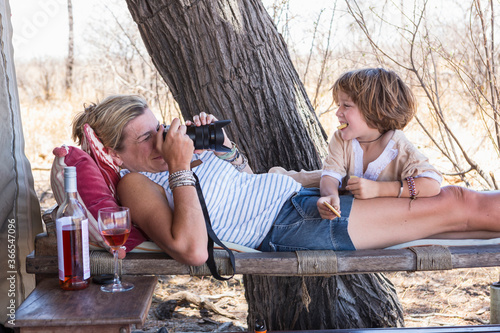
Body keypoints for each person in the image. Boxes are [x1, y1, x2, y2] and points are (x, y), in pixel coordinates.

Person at [72, 94, 500, 266]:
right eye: (146, 138)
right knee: (455, 204)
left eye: (159, 127)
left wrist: (221, 147)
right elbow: (192, 249)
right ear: (115, 154)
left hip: (299, 199)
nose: (162, 139)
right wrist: (181, 166)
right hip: (290, 224)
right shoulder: (135, 182)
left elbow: (243, 182)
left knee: (454, 210)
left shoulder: (173, 165)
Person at [318, 68, 441, 219]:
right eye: (338, 105)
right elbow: (330, 175)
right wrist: (329, 196)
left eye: (346, 105)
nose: (338, 112)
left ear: (376, 110)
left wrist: (378, 189)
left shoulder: (397, 146)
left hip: (385, 222)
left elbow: (432, 184)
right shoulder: (341, 140)